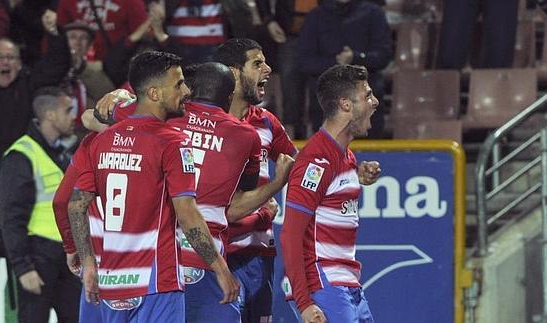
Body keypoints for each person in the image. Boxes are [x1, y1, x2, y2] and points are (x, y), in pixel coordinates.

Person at [88, 59, 296, 322]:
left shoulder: (166, 119)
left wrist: (116, 98)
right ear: (229, 95)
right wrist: (276, 186)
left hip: (151, 263)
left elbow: (90, 117)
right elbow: (236, 201)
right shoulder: (247, 135)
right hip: (204, 257)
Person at [67, 51, 240, 322]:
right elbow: (188, 215)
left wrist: (89, 263)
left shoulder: (102, 140)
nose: (186, 91)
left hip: (112, 282)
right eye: (179, 84)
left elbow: (76, 205)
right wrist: (219, 268)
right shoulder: (173, 143)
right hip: (157, 281)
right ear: (155, 93)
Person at [280, 64, 381, 323]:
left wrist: (356, 174)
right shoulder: (316, 161)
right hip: (323, 283)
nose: (375, 102)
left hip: (347, 284)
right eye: (367, 95)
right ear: (345, 104)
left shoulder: (344, 156)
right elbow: (291, 235)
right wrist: (303, 303)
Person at [214, 38, 298, 323]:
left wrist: (349, 171)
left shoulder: (266, 122)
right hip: (215, 256)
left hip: (259, 254)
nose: (268, 69)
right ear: (234, 73)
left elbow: (299, 166)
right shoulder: (200, 121)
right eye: (258, 63)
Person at [0, 86, 80, 323]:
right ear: (51, 115)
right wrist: (23, 267)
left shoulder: (64, 153)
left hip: (66, 257)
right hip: (37, 256)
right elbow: (11, 217)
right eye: (67, 110)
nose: (72, 116)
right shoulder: (21, 156)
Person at [0, 17, 70, 201]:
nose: (5, 62)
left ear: (19, 64)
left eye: (11, 57)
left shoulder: (28, 85)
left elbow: (57, 66)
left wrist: (55, 34)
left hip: (18, 181)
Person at [298, 0, 392, 139]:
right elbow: (305, 61)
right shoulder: (315, 16)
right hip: (327, 103)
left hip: (366, 99)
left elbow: (383, 56)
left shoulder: (374, 13)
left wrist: (355, 57)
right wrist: (337, 63)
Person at [53, 130, 103, 323]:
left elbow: (60, 202)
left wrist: (71, 247)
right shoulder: (164, 135)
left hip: (96, 266)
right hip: (147, 268)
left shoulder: (93, 142)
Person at [257, 0, 318, 139]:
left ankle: (326, 143)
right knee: (291, 94)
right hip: (289, 34)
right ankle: (294, 142)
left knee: (323, 90)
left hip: (325, 32)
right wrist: (268, 20)